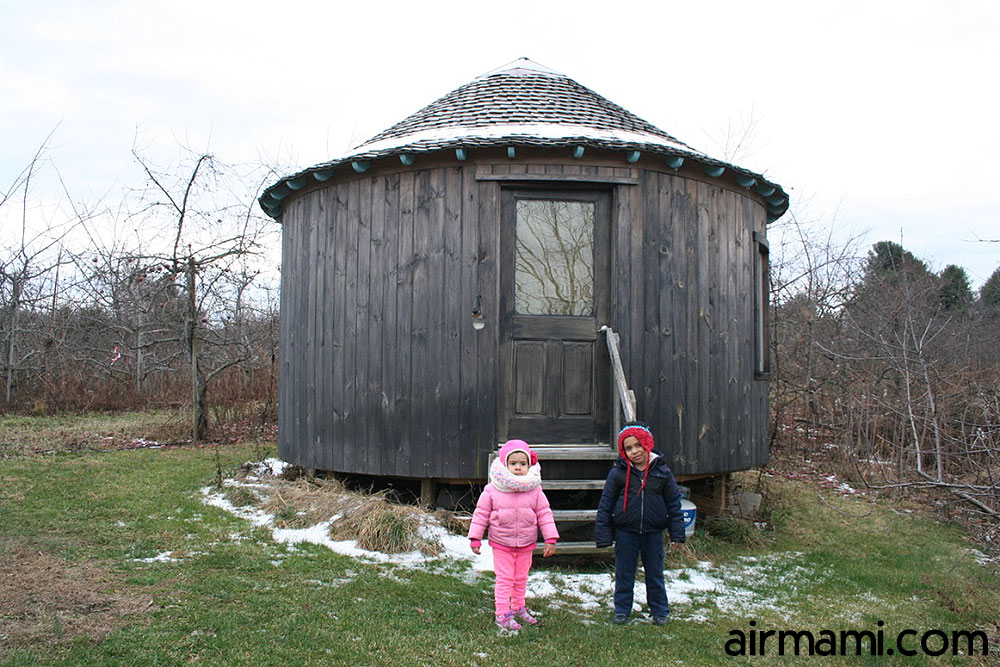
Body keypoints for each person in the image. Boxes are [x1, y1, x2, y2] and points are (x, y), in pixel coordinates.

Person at [595, 421, 685, 625]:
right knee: (624, 572)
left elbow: (674, 504)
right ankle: (622, 609)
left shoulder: (662, 472)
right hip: (626, 532)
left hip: (653, 533)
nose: (634, 451)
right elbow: (606, 504)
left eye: (638, 445)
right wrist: (603, 534)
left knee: (654, 573)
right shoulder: (618, 473)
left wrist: (677, 533)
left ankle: (660, 610)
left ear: (647, 444)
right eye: (628, 448)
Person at [468, 439, 559, 631]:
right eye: (513, 463)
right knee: (505, 578)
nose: (518, 468)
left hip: (526, 542)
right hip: (502, 542)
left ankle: (518, 607)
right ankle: (502, 613)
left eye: (523, 464)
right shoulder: (493, 489)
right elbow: (481, 513)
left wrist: (550, 538)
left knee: (521, 577)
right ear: (504, 464)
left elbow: (544, 513)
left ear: (529, 465)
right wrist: (475, 537)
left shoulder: (534, 489)